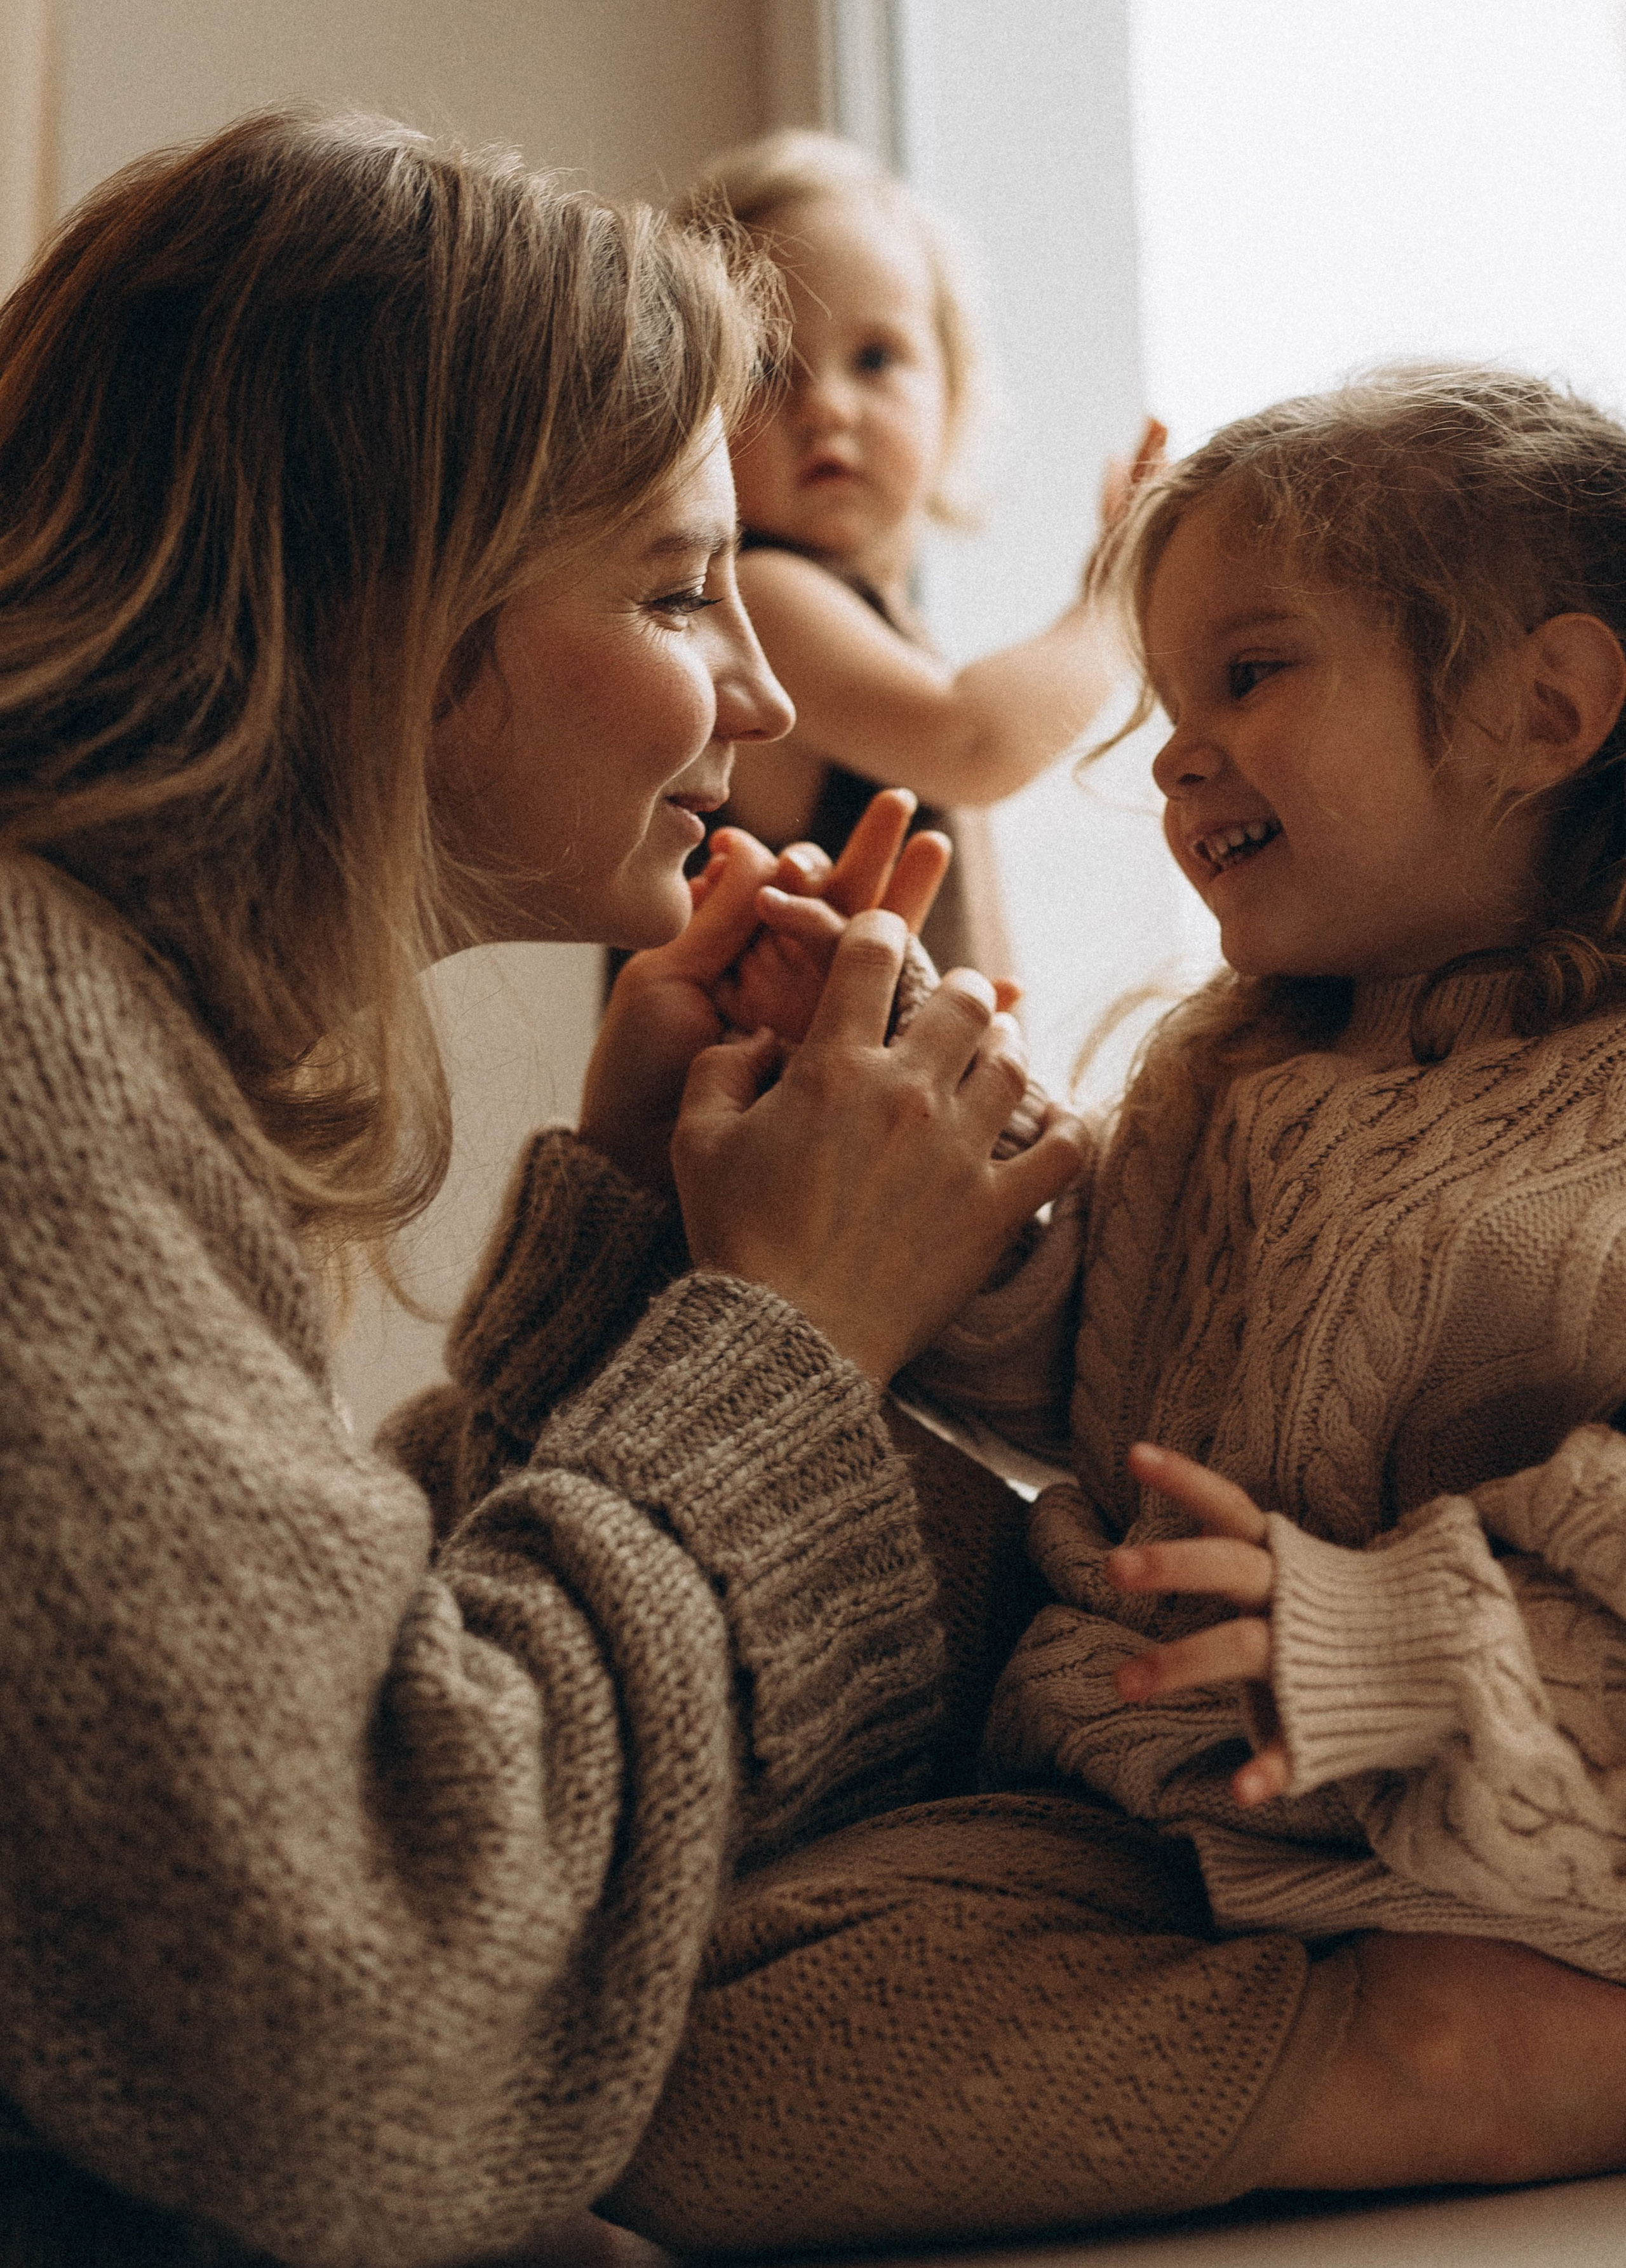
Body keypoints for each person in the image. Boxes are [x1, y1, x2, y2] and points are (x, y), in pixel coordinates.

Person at [0, 109, 1085, 2268]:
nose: (765, 689)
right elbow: (355, 2019)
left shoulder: (103, 1013)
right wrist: (780, 1344)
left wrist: (627, 1240)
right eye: (685, 588)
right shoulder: (38, 1049)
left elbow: (256, 1735)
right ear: (372, 595)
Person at [608, 366, 1626, 2251]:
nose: (1173, 755)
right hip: (1162, 1817)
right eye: (1165, 702)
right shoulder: (1220, 1066)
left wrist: (1374, 1645)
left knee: (707, 2099)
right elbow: (1096, 1385)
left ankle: (1483, 2060)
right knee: (648, 2018)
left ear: (1540, 711)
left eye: (1251, 675)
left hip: (1509, 1824)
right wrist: (931, 1158)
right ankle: (1379, 2039)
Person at [673, 128, 1160, 981]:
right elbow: (974, 743)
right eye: (763, 367)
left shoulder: (891, 632)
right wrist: (1113, 598)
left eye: (873, 358)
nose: (824, 406)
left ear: (954, 388)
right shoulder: (756, 601)